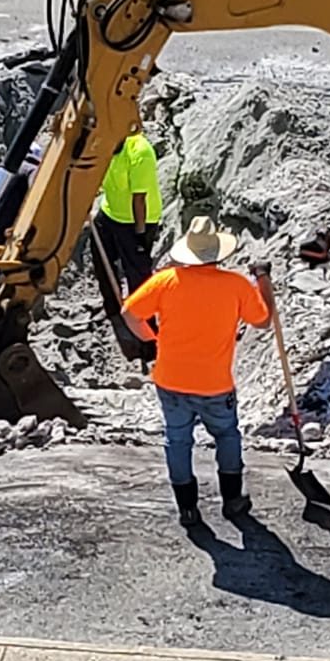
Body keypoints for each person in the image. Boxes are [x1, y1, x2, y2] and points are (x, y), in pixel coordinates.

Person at [121, 216, 274, 530]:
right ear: (218, 253)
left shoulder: (166, 281)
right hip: (214, 384)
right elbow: (263, 321)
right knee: (227, 436)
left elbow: (129, 313)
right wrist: (264, 281)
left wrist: (152, 339)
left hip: (171, 381)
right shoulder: (235, 285)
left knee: (178, 442)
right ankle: (232, 501)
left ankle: (187, 509)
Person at [94, 128, 162, 296]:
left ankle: (144, 318)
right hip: (110, 212)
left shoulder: (140, 152)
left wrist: (140, 236)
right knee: (102, 260)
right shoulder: (102, 145)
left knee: (137, 272)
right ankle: (114, 309)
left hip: (138, 219)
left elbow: (139, 198)